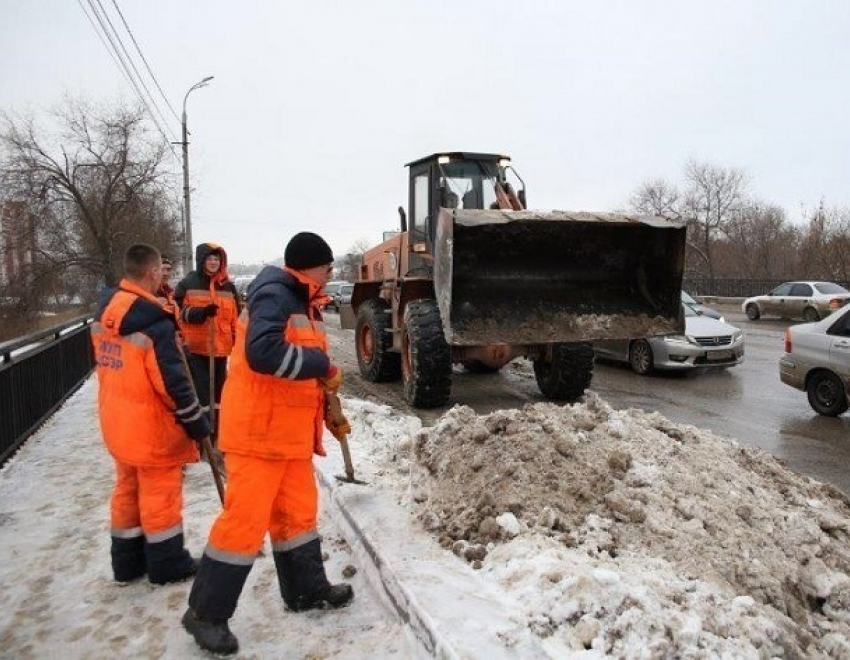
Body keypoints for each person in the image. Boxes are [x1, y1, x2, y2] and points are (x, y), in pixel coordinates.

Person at [182, 231, 353, 656]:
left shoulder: (303, 300)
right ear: (310, 265)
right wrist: (323, 364)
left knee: (297, 515)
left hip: (288, 436)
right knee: (243, 524)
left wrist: (328, 402)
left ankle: (305, 590)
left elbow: (298, 370)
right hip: (259, 434)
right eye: (328, 268)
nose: (331, 276)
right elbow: (263, 353)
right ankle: (205, 613)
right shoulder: (276, 294)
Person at [91, 244, 210, 585]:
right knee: (160, 494)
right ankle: (168, 564)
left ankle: (127, 564)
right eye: (161, 271)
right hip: (151, 427)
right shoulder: (152, 322)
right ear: (153, 272)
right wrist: (195, 421)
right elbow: (173, 384)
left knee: (127, 489)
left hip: (117, 420)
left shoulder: (107, 311)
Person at [174, 243, 241, 434]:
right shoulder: (188, 284)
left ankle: (217, 432)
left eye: (217, 259)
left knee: (219, 394)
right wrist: (200, 313)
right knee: (201, 393)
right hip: (196, 349)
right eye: (210, 258)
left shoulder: (228, 287)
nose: (213, 262)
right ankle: (201, 436)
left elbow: (236, 318)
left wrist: (237, 344)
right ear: (201, 260)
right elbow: (178, 312)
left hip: (221, 351)